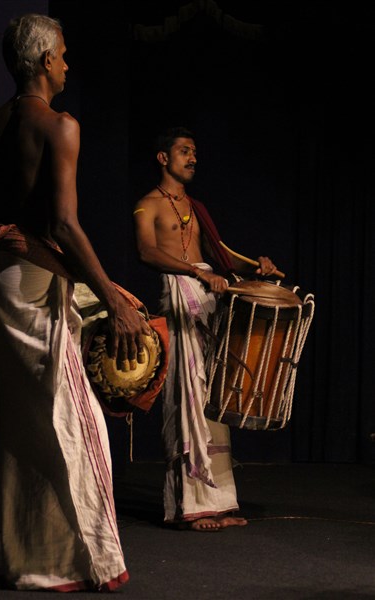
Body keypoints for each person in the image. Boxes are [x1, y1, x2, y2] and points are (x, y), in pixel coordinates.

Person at [0, 13, 150, 592]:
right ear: (46, 60)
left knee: (29, 430)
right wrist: (113, 299)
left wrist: (103, 288)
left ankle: (40, 565)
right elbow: (62, 224)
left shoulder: (2, 118)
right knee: (80, 424)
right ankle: (96, 561)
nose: (68, 65)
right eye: (64, 55)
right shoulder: (60, 125)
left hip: (6, 277)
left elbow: (9, 213)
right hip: (33, 280)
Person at [133, 126, 278, 531]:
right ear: (163, 158)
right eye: (184, 151)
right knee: (186, 397)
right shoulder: (146, 206)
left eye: (194, 152)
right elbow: (146, 251)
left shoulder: (195, 208)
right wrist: (197, 273)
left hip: (207, 301)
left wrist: (256, 267)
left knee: (212, 397)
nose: (193, 158)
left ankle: (219, 502)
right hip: (181, 300)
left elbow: (222, 254)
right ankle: (189, 506)